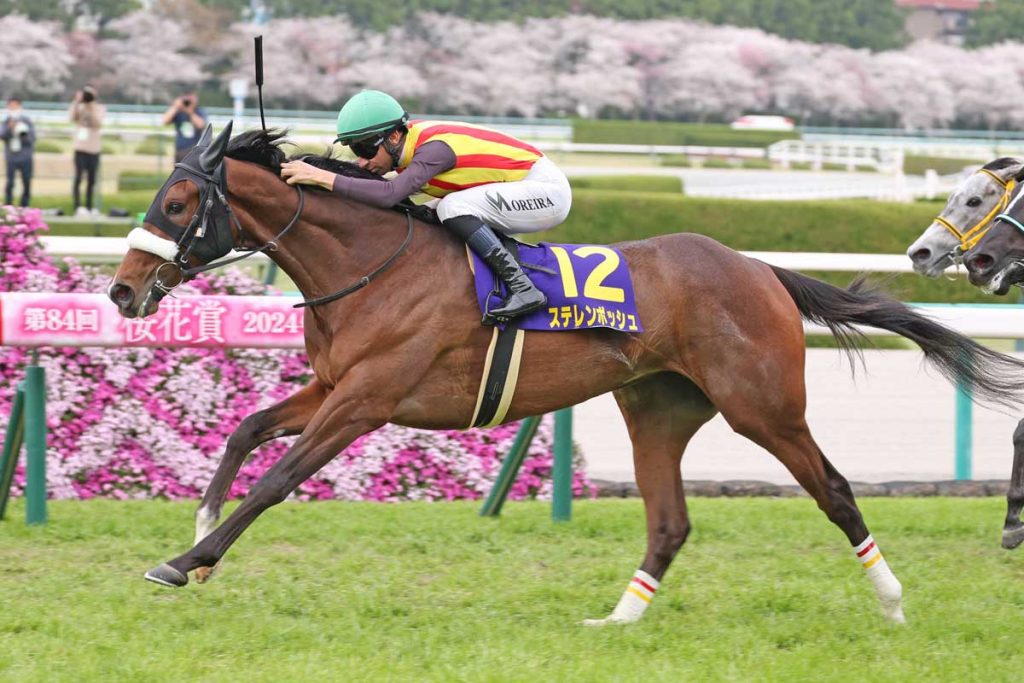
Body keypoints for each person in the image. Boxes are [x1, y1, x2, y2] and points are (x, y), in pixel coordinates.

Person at [279, 90, 572, 323]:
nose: (362, 160)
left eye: (366, 149)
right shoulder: (411, 148)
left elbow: (388, 195)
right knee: (436, 209)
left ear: (394, 136)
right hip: (517, 187)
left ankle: (523, 287)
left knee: (451, 207)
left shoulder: (433, 150)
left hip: (547, 192)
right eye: (355, 150)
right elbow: (379, 190)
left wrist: (323, 177)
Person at [69, 86, 105, 217]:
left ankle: (89, 207)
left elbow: (97, 123)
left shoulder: (99, 108)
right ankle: (77, 207)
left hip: (94, 148)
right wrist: (77, 102)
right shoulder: (79, 106)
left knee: (91, 180)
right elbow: (72, 117)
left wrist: (91, 107)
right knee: (78, 178)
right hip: (80, 147)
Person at [1, 96, 34, 207]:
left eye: (16, 105)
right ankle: (8, 206)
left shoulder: (27, 120)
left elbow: (31, 139)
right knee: (10, 182)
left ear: (20, 106)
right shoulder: (6, 121)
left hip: (25, 156)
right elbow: (2, 136)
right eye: (11, 106)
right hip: (11, 157)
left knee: (26, 182)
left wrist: (22, 132)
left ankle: (24, 206)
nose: (13, 108)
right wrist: (10, 128)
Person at [162, 90, 207, 163]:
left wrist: (190, 113)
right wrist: (175, 106)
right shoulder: (178, 112)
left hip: (195, 150)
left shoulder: (199, 111)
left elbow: (200, 125)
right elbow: (165, 121)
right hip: (180, 149)